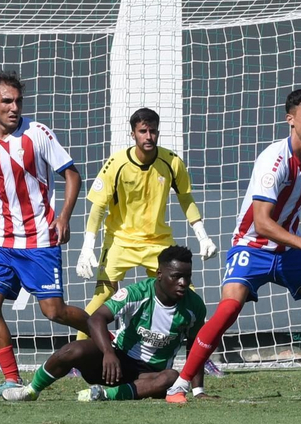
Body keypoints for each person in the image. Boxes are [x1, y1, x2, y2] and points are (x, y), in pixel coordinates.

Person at [164, 89, 301, 403]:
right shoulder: (273, 161)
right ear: (290, 120)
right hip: (250, 248)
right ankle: (180, 385)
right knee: (227, 310)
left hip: (287, 253)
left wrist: (299, 247)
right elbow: (263, 222)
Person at [0, 71, 92, 397]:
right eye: (6, 101)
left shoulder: (38, 134)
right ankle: (11, 379)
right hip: (2, 239)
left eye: (18, 101)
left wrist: (63, 217)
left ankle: (103, 334)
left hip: (40, 240)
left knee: (54, 312)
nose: (14, 107)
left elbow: (72, 175)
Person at [75, 107, 221, 374]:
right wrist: (87, 247)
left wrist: (203, 235)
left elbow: (186, 198)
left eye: (153, 130)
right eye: (143, 131)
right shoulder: (116, 164)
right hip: (120, 241)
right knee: (103, 295)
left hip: (158, 243)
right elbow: (97, 208)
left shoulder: (172, 162)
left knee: (188, 295)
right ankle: (79, 354)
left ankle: (200, 356)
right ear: (133, 134)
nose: (148, 136)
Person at [2, 246, 207, 402]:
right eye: (176, 276)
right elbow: (96, 319)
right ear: (160, 274)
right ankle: (30, 391)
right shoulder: (137, 293)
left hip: (150, 377)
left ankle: (104, 395)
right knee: (73, 350)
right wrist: (108, 353)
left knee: (172, 377)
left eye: (187, 277)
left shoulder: (194, 306)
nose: (183, 282)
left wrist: (198, 391)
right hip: (115, 363)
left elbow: (196, 347)